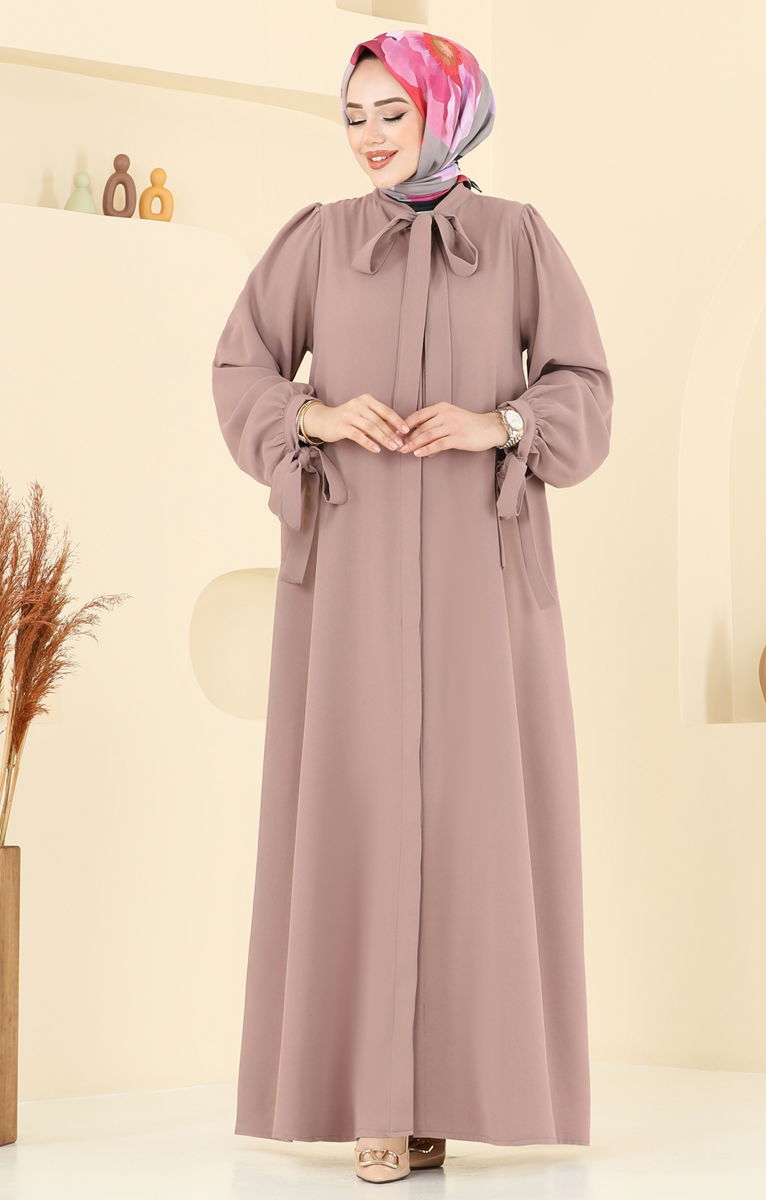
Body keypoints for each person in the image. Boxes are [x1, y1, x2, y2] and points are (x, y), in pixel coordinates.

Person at [211, 29, 613, 1186]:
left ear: (447, 112)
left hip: (483, 576)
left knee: (475, 822)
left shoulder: (517, 238)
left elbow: (583, 388)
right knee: (359, 808)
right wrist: (314, 415)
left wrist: (500, 424)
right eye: (354, 115)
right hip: (349, 573)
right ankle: (374, 1104)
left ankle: (443, 1096)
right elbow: (239, 368)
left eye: (392, 112)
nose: (370, 136)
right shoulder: (317, 239)